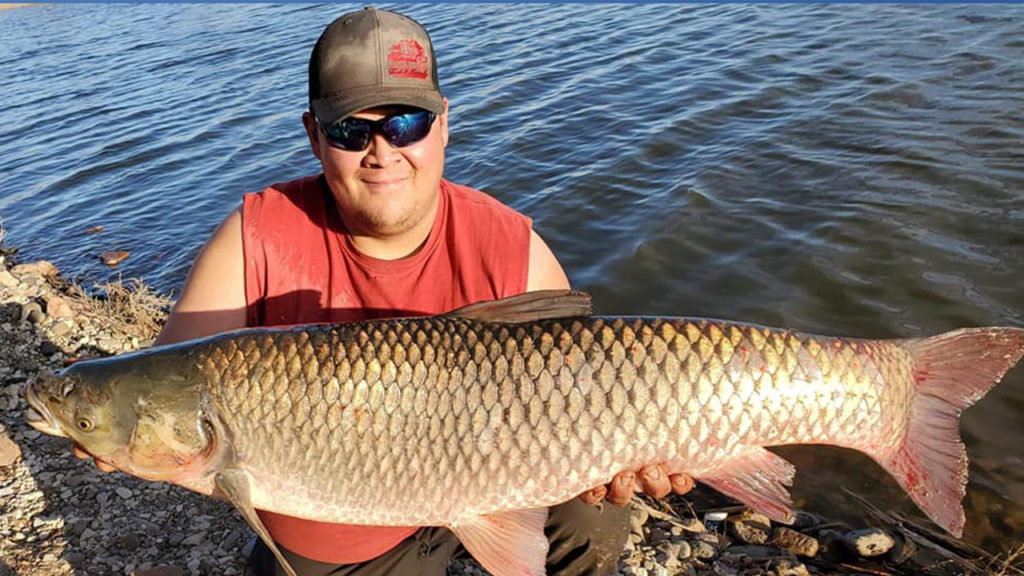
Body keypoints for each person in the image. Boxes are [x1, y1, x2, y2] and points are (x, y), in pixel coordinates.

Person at [77, 7, 694, 575]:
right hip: (342, 525)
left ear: (443, 125)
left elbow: (600, 380)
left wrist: (645, 445)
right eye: (350, 130)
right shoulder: (254, 237)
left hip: (507, 468)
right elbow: (165, 379)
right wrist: (108, 424)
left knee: (593, 500)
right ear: (314, 135)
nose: (383, 151)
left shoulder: (511, 244)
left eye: (407, 123)